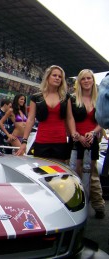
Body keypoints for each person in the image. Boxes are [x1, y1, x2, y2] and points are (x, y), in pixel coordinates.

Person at [16, 65, 78, 162]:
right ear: (48, 77)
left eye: (60, 76)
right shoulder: (36, 97)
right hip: (42, 140)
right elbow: (31, 119)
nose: (57, 78)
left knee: (58, 173)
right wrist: (24, 141)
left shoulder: (66, 97)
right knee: (41, 172)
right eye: (54, 75)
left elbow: (69, 118)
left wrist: (74, 134)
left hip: (60, 141)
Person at [69, 69, 105, 219]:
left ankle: (99, 206)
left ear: (93, 80)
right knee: (74, 174)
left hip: (92, 140)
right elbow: (69, 119)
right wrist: (75, 133)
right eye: (83, 79)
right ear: (79, 82)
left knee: (93, 176)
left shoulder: (100, 100)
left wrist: (93, 132)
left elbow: (102, 121)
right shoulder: (72, 99)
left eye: (89, 78)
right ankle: (75, 204)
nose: (86, 81)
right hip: (76, 139)